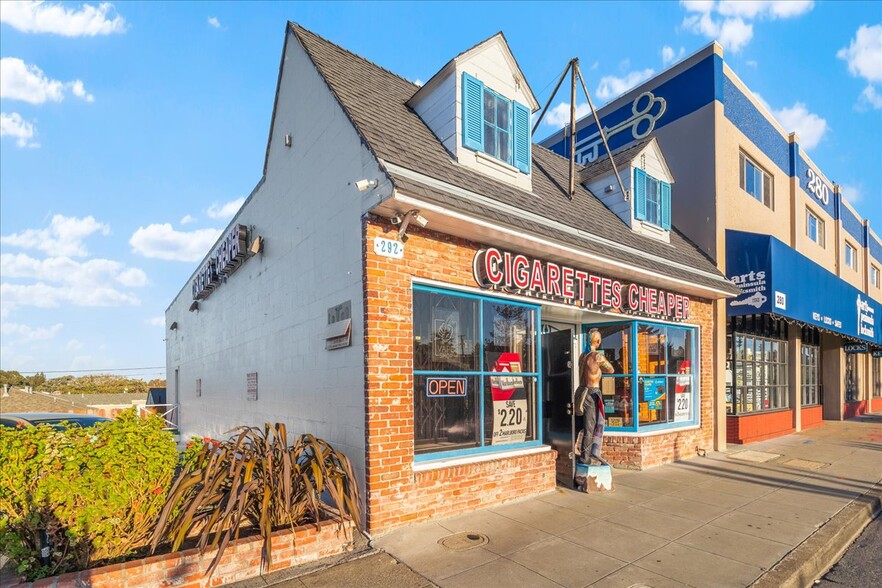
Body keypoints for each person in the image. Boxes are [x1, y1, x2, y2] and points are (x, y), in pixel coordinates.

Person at [575, 328, 614, 465]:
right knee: (589, 427)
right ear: (597, 341)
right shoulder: (598, 356)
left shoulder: (582, 356)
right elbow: (611, 369)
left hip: (580, 392)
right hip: (591, 393)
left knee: (578, 425)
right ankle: (585, 458)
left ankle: (574, 449)